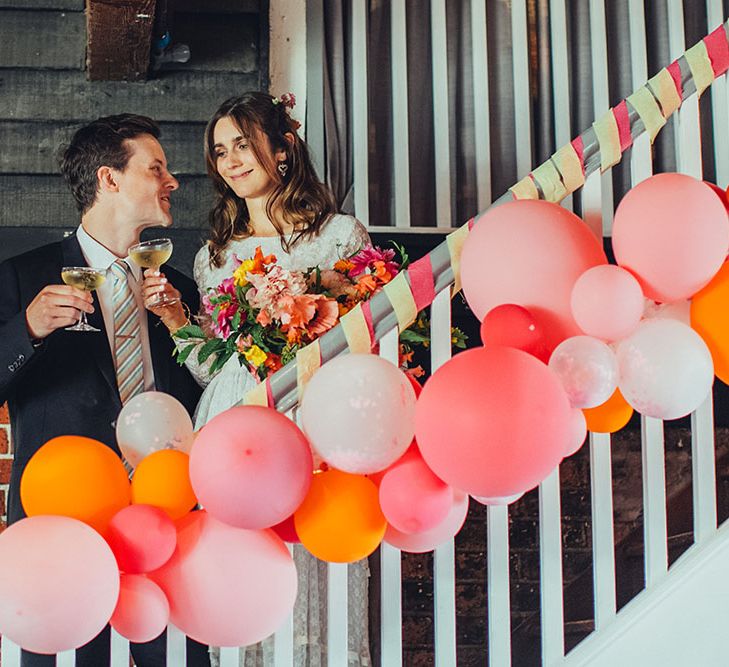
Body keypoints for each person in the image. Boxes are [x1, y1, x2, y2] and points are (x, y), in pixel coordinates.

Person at [143, 92, 372, 666]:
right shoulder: (213, 256)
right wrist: (176, 320)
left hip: (309, 418)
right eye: (220, 152)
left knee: (310, 559)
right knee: (237, 565)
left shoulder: (340, 236)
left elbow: (363, 347)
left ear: (283, 149)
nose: (231, 161)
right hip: (230, 421)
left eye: (242, 145)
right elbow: (213, 367)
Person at [0, 114, 210, 667]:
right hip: (62, 524)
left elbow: (206, 400)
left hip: (166, 523)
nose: (172, 181)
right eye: (156, 167)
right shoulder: (23, 278)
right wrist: (27, 328)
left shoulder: (179, 290)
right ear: (109, 179)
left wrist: (180, 326)